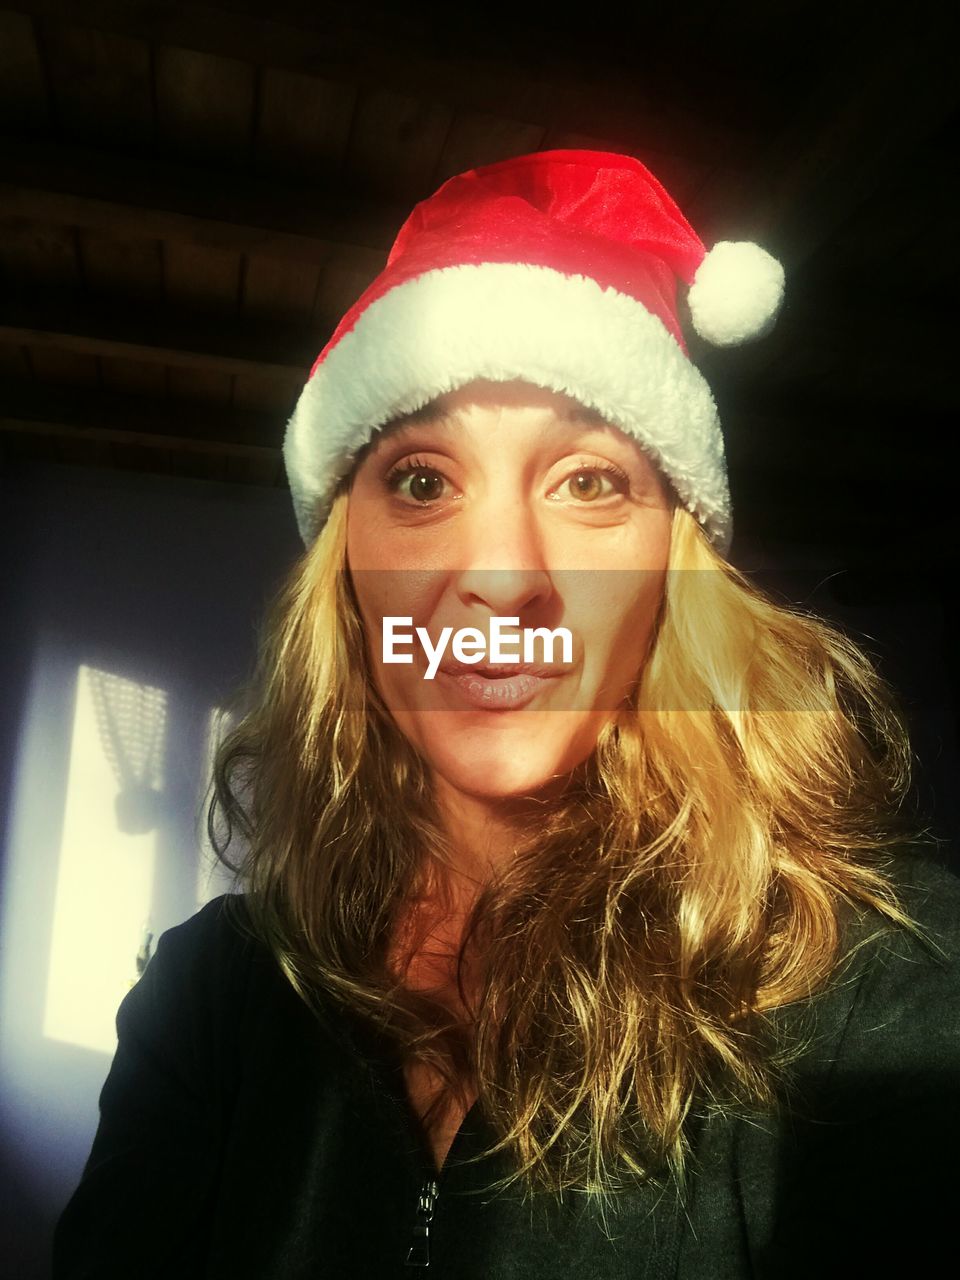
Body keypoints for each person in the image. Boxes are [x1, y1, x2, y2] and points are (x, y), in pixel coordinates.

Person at [53, 150, 960, 1279]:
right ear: (346, 569)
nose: (501, 577)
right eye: (423, 480)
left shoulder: (879, 988)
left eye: (588, 481)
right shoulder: (214, 997)